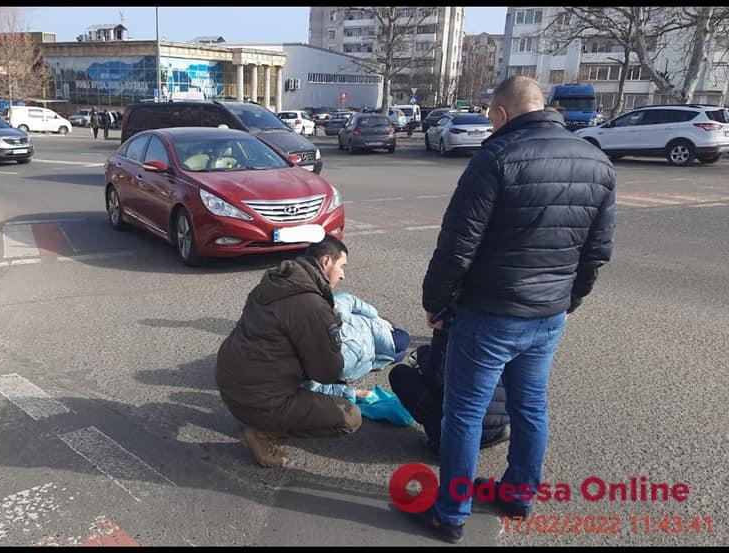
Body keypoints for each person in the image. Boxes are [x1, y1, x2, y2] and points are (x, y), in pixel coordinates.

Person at [407, 75, 616, 543]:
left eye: (489, 117)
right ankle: (519, 493)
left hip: (490, 314)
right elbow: (597, 251)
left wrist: (436, 304)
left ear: (501, 114)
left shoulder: (496, 158)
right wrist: (568, 299)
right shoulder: (597, 161)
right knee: (530, 406)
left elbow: (457, 245)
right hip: (547, 314)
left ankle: (451, 513)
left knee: (464, 413)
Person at [216, 236, 361, 468]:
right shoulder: (313, 307)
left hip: (229, 382)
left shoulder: (276, 281)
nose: (342, 275)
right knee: (350, 417)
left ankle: (260, 416)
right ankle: (262, 432)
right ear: (325, 261)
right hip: (257, 398)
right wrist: (333, 336)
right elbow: (328, 372)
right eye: (341, 266)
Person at [300, 291, 409, 402]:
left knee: (398, 348)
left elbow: (312, 387)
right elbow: (347, 299)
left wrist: (352, 393)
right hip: (367, 348)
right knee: (399, 349)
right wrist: (375, 316)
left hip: (366, 346)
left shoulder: (311, 364)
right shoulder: (311, 363)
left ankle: (386, 342)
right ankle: (386, 341)